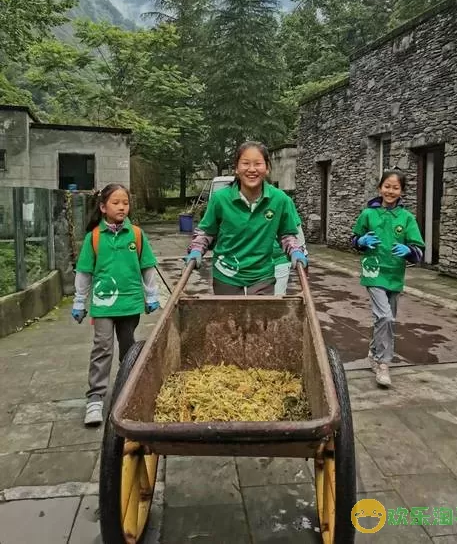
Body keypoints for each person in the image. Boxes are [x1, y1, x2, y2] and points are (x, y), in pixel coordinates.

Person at [72, 184, 160, 426]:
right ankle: (96, 398)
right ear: (102, 207)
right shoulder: (94, 238)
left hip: (130, 302)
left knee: (128, 347)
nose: (122, 207)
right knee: (102, 347)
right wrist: (79, 301)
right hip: (102, 303)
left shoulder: (137, 235)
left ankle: (126, 390)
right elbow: (84, 272)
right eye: (116, 203)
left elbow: (148, 268)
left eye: (125, 203)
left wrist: (152, 295)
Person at [185, 141, 308, 294]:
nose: (251, 169)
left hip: (262, 275)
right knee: (229, 317)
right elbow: (206, 232)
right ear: (236, 168)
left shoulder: (279, 199)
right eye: (245, 163)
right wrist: (196, 249)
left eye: (258, 163)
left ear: (267, 168)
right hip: (226, 274)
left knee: (260, 317)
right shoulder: (220, 199)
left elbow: (287, 234)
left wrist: (295, 250)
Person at [352, 169, 425, 388]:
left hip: (394, 273)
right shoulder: (368, 214)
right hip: (373, 271)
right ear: (379, 188)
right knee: (385, 317)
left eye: (395, 187)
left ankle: (374, 353)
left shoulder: (407, 218)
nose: (390, 191)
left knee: (384, 318)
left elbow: (419, 250)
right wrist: (361, 241)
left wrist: (409, 250)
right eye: (387, 186)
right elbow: (353, 239)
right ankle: (384, 364)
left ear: (401, 191)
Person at [273, 195, 308, 295]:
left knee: (275, 302)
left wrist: (300, 251)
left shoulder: (282, 199)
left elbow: (296, 229)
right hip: (240, 264)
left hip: (277, 260)